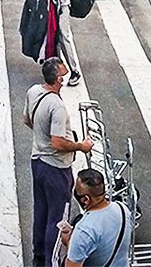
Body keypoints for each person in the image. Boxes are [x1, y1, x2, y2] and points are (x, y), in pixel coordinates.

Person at [24, 57, 92, 267]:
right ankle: (52, 263)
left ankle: (39, 256)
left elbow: (27, 120)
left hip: (38, 162)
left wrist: (42, 138)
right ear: (58, 79)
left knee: (41, 212)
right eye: (63, 74)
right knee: (58, 220)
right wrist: (81, 146)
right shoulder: (57, 107)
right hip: (57, 169)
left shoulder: (34, 91)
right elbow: (58, 142)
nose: (66, 77)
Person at [59, 168, 133, 267]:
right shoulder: (122, 209)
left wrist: (68, 242)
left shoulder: (84, 231)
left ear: (86, 199)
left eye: (76, 191)